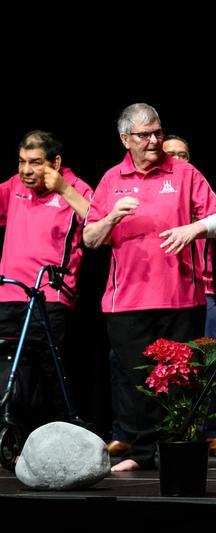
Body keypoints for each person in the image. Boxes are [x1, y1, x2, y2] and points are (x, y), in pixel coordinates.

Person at [84, 103, 216, 472]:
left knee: (181, 382)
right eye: (145, 135)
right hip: (127, 301)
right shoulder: (111, 180)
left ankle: (177, 450)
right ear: (125, 139)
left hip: (182, 297)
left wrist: (194, 229)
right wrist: (112, 217)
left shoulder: (184, 173)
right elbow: (89, 238)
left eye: (157, 132)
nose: (154, 141)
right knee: (137, 381)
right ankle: (141, 452)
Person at [0, 131, 92, 434]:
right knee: (12, 366)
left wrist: (65, 189)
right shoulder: (13, 186)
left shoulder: (77, 188)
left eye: (36, 163)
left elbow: (99, 226)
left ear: (56, 162)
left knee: (45, 367)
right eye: (22, 162)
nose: (26, 170)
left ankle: (56, 431)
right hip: (9, 291)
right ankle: (15, 429)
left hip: (49, 294)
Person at [162, 134, 216, 457]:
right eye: (171, 155)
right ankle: (140, 433)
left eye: (184, 154)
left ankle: (213, 432)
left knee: (212, 363)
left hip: (202, 293)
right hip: (159, 297)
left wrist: (204, 225)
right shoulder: (153, 194)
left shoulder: (200, 197)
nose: (178, 160)